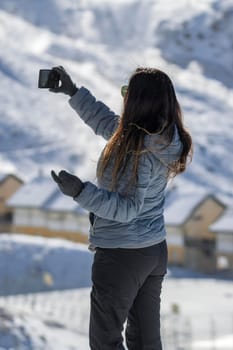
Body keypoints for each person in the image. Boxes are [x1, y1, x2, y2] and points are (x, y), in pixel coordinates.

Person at [50, 66, 193, 350]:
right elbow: (107, 123)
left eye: (127, 93)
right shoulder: (160, 138)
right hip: (152, 251)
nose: (123, 98)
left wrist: (80, 191)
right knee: (146, 342)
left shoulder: (139, 151)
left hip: (122, 255)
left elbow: (127, 210)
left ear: (138, 102)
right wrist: (73, 92)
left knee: (105, 341)